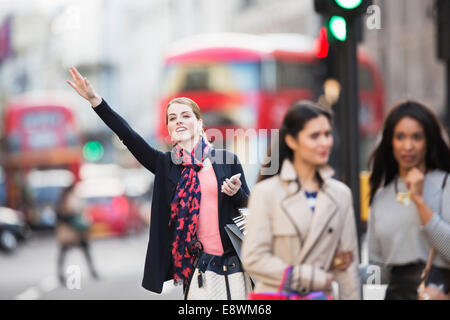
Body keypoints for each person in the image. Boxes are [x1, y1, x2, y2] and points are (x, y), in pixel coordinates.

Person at [67, 66, 251, 299]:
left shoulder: (227, 160)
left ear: (200, 123)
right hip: (197, 269)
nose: (179, 121)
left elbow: (250, 206)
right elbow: (129, 136)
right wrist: (96, 101)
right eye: (173, 118)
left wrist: (237, 194)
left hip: (233, 265)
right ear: (170, 129)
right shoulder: (166, 164)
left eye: (186, 115)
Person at [242, 100, 361, 300]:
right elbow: (253, 258)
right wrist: (307, 277)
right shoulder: (266, 193)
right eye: (315, 136)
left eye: (327, 134)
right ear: (291, 141)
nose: (325, 142)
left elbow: (348, 268)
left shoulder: (341, 194)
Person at [367, 100, 450, 300]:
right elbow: (378, 270)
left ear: (428, 141)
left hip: (437, 292)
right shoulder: (382, 196)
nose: (408, 146)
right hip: (397, 294)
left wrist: (419, 201)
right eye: (400, 137)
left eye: (416, 137)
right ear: (390, 142)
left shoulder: (445, 184)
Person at [56, 182, 99, 285]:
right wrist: (72, 218)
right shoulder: (65, 201)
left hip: (75, 231)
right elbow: (62, 215)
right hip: (69, 231)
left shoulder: (70, 199)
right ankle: (60, 274)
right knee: (65, 252)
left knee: (84, 249)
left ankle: (92, 271)